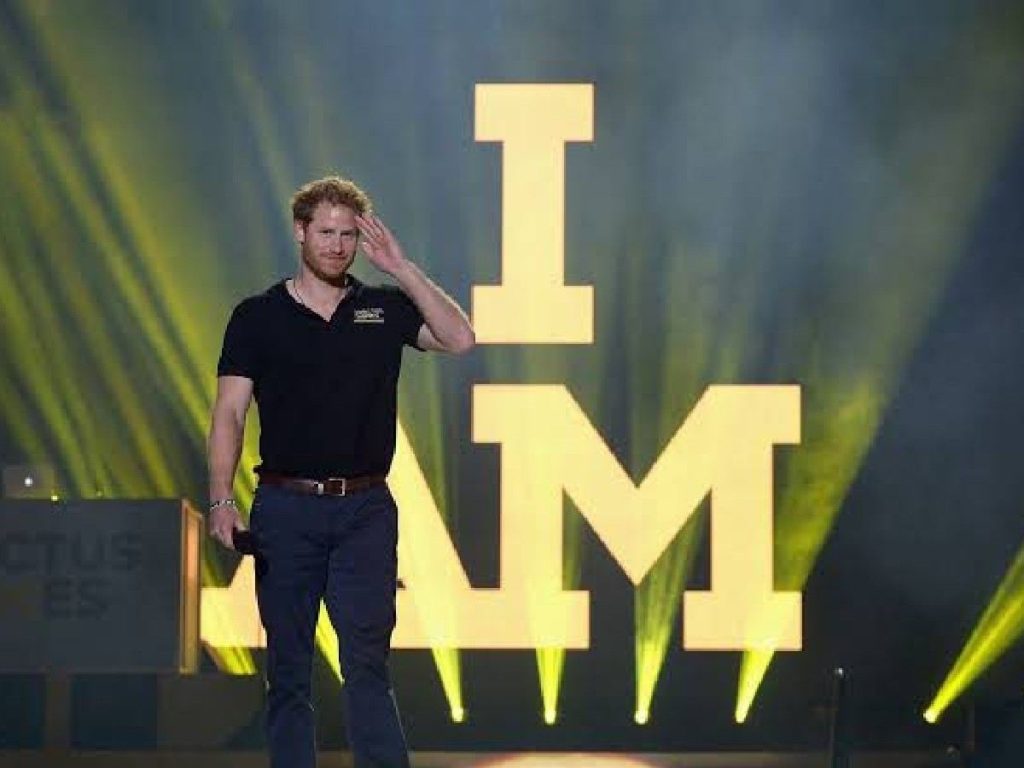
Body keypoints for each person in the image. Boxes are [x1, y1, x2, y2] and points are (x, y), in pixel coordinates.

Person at [206, 176, 474, 768]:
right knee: (290, 668)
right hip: (285, 507)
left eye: (348, 235)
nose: (337, 245)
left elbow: (459, 339)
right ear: (301, 232)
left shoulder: (383, 306)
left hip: (364, 511)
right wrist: (222, 499)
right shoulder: (257, 317)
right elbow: (229, 412)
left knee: (368, 664)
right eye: (326, 232)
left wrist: (402, 269)